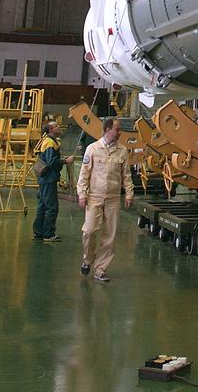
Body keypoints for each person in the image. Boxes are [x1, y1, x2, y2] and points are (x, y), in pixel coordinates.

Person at [77, 117, 134, 283]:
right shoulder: (92, 149)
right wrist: (82, 194)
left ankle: (101, 269)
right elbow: (84, 174)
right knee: (88, 231)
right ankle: (87, 259)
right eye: (117, 129)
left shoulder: (122, 151)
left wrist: (129, 193)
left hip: (113, 198)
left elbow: (127, 175)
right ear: (108, 130)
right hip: (94, 197)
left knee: (110, 235)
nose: (120, 132)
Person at [32, 120, 74, 243]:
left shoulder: (49, 141)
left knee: (42, 206)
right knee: (51, 207)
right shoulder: (50, 143)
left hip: (44, 179)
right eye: (56, 126)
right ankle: (49, 234)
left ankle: (39, 232)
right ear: (50, 130)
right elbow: (51, 162)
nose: (58, 127)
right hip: (48, 179)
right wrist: (65, 161)